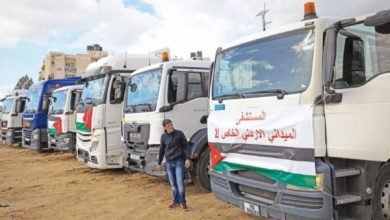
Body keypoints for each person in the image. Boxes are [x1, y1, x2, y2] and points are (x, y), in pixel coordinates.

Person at [157, 119, 191, 210]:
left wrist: (188, 158)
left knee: (180, 182)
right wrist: (159, 163)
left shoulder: (179, 134)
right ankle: (175, 202)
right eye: (168, 126)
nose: (171, 127)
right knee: (173, 184)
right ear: (164, 127)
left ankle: (183, 202)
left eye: (171, 125)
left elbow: (186, 146)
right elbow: (161, 150)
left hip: (179, 161)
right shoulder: (163, 137)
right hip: (169, 163)